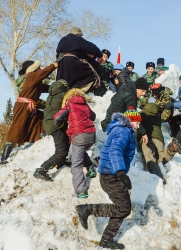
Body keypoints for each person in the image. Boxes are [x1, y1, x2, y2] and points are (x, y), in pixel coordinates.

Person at [75, 110, 141, 249]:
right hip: (112, 175)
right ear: (129, 120)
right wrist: (121, 172)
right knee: (123, 208)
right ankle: (87, 209)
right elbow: (115, 150)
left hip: (110, 173)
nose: (138, 126)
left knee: (122, 208)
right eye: (137, 122)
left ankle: (106, 241)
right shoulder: (124, 132)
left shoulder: (121, 130)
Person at [0, 60, 58, 164]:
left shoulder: (37, 82)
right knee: (16, 129)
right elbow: (44, 72)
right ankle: (3, 159)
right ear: (33, 69)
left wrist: (61, 88)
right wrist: (54, 65)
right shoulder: (31, 77)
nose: (40, 70)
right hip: (22, 106)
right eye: (38, 68)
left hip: (30, 107)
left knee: (42, 118)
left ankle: (41, 139)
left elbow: (50, 88)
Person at [54, 88, 96, 198]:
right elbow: (94, 116)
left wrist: (61, 125)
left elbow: (57, 117)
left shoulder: (69, 105)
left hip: (79, 135)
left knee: (76, 165)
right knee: (81, 151)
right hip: (91, 135)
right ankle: (90, 167)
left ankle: (81, 190)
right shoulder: (85, 105)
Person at [33, 80, 70, 181]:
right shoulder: (63, 94)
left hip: (50, 123)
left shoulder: (51, 94)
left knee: (66, 141)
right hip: (55, 125)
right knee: (61, 151)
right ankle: (41, 170)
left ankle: (61, 161)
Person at [101, 77, 148, 145]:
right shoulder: (130, 97)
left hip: (109, 122)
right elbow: (133, 117)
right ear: (137, 88)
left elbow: (113, 99)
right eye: (142, 91)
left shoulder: (125, 89)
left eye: (145, 92)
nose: (143, 94)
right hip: (115, 127)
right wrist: (143, 133)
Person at [139, 98, 169, 184]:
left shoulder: (142, 113)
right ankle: (170, 151)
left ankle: (158, 178)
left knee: (150, 157)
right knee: (160, 156)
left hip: (146, 137)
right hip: (158, 138)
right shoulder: (158, 114)